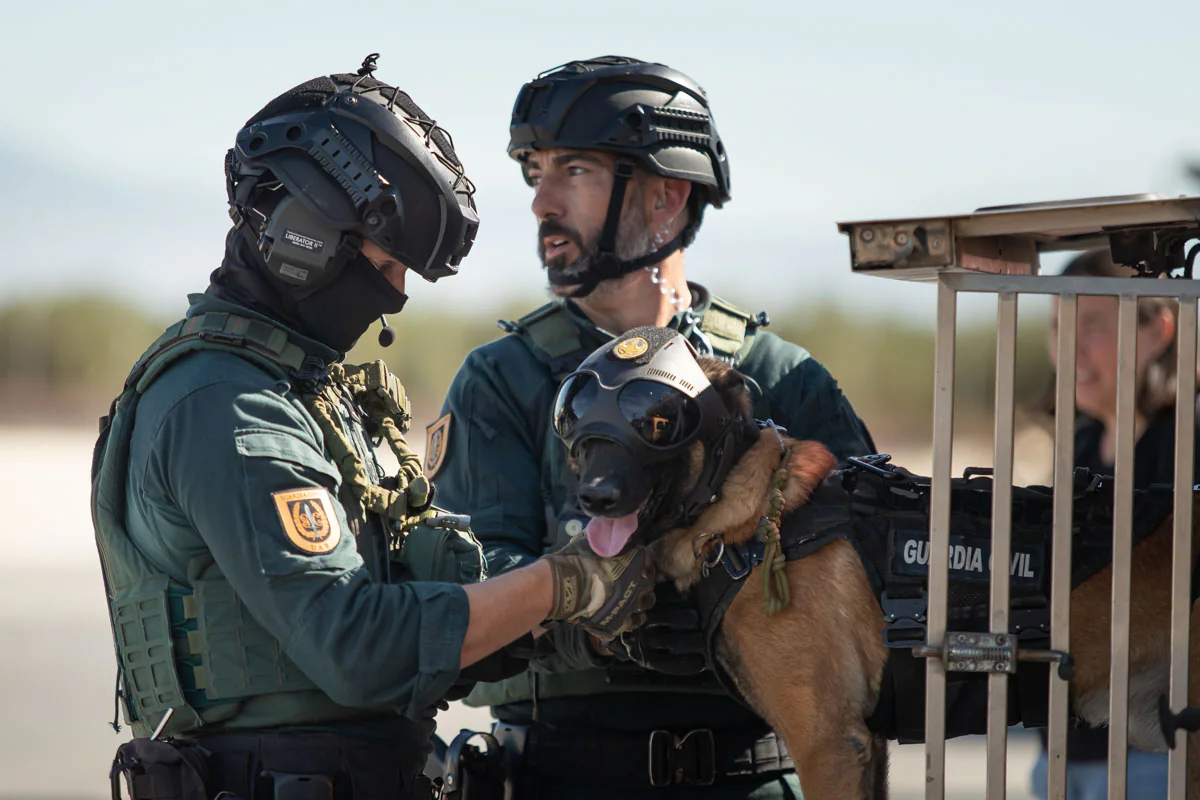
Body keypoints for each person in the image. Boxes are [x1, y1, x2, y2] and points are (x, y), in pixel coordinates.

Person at [92, 56, 658, 800]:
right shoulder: (225, 405)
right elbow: (356, 645)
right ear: (306, 233)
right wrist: (564, 582)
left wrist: (582, 619)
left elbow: (419, 599)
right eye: (389, 263)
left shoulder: (302, 391)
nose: (393, 297)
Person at [433, 56, 876, 798]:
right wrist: (589, 621)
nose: (541, 200)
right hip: (564, 775)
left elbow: (875, 587)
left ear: (667, 196)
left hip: (757, 775)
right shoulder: (502, 382)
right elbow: (464, 601)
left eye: (573, 169)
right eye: (535, 171)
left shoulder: (779, 376)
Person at [1029, 248, 1194, 800]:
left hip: (1157, 752)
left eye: (1092, 326)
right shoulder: (1079, 444)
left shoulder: (1188, 439)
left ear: (1158, 330)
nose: (1070, 348)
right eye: (1059, 326)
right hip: (1065, 750)